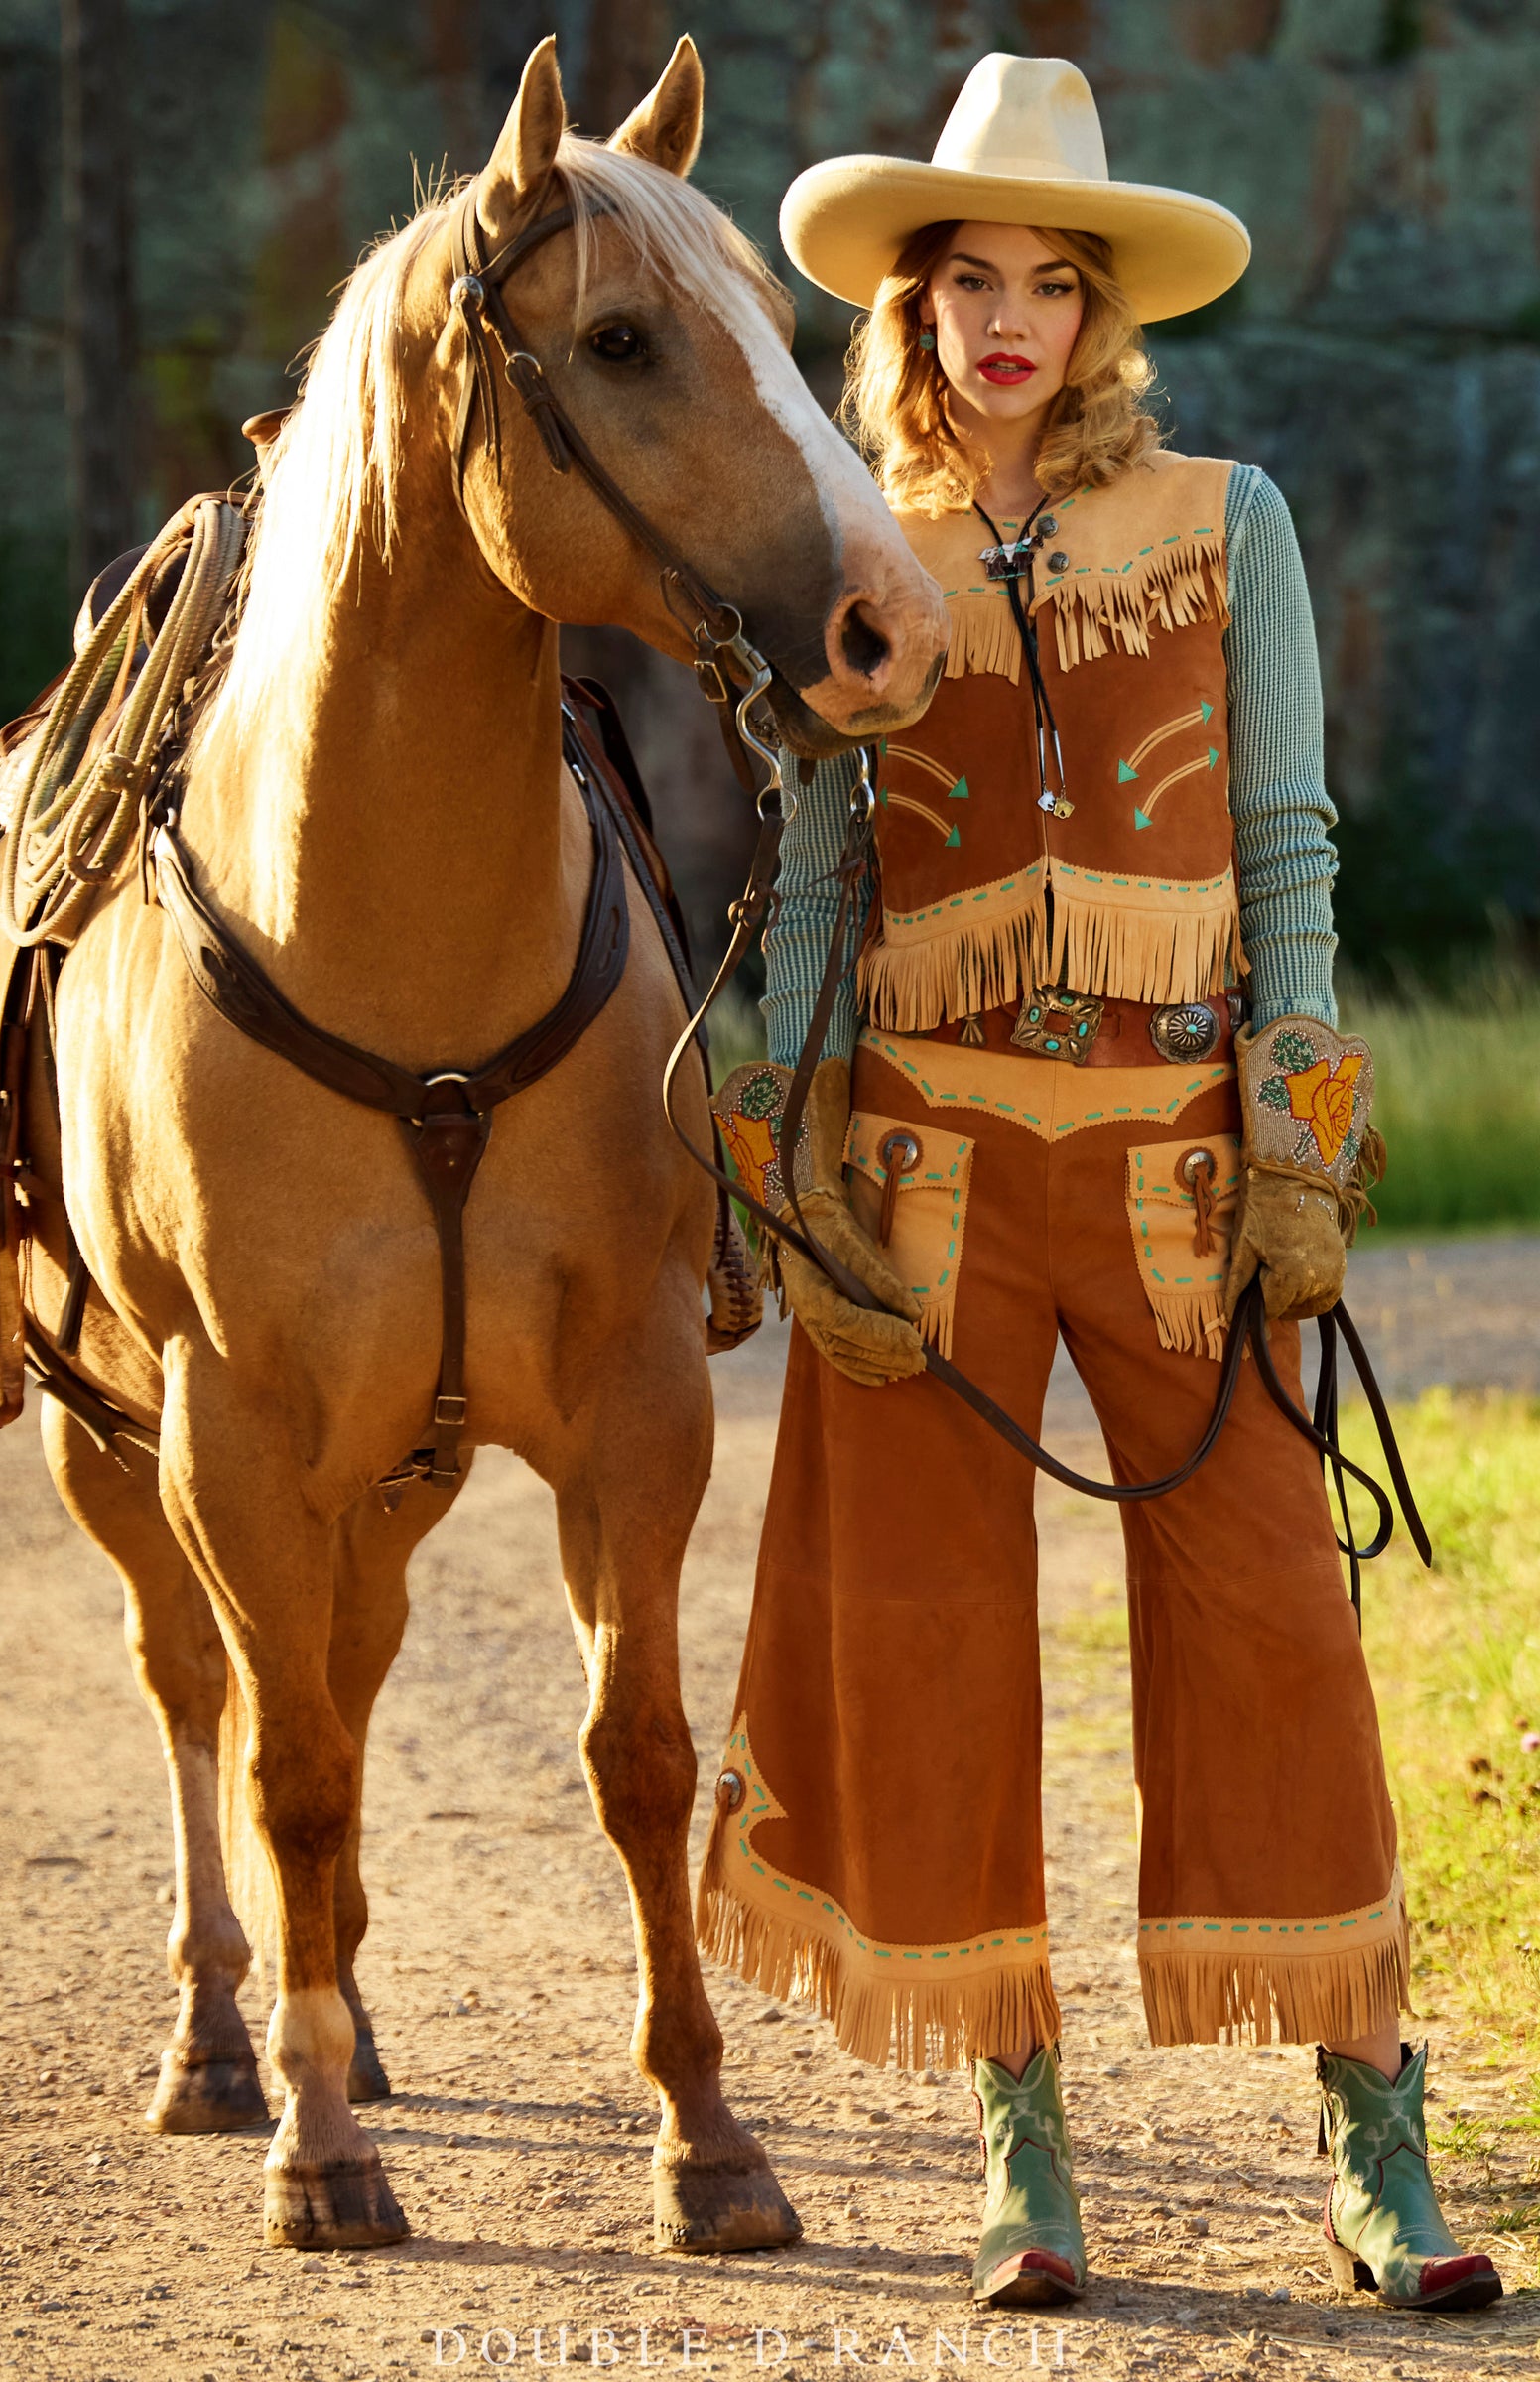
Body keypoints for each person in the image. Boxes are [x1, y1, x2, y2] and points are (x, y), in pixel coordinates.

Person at [700, 54, 1500, 2316]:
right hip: (929, 1166)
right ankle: (1013, 2141)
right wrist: (775, 1143)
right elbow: (825, 864)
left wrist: (1298, 1137)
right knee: (930, 1649)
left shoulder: (1220, 522)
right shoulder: (862, 548)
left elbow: (1282, 851)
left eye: (1053, 280)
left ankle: (1373, 2139)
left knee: (1272, 1630)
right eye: (972, 280)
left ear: (1100, 311)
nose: (1011, 317)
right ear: (917, 308)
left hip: (1169, 1178)